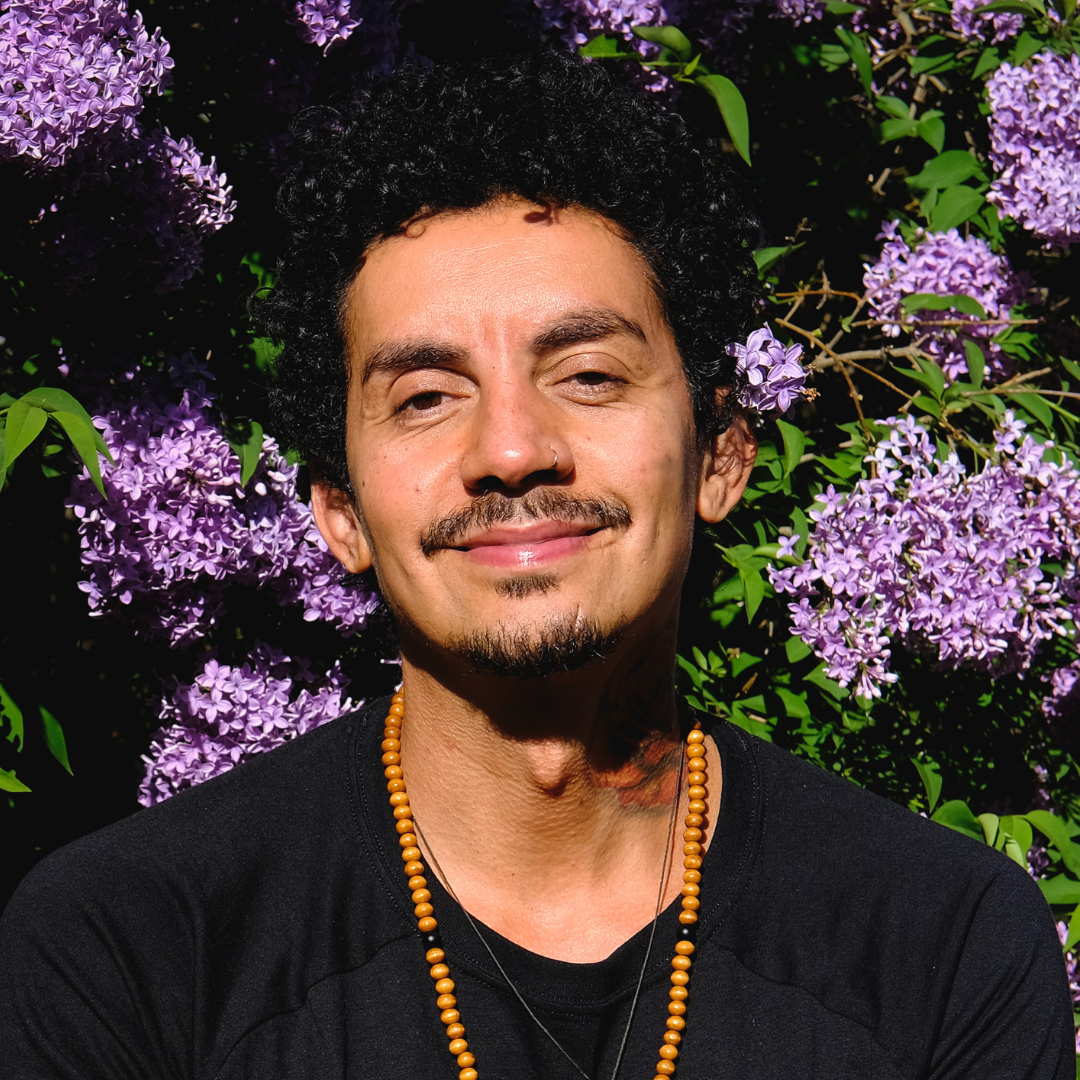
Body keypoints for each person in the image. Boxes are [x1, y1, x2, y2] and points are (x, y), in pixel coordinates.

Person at [0, 50, 1073, 1080]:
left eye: (590, 375)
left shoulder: (941, 948)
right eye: (426, 397)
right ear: (341, 511)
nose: (511, 450)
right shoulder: (134, 952)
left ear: (720, 455)